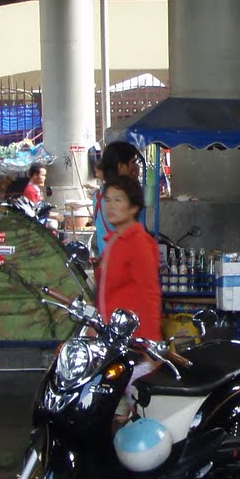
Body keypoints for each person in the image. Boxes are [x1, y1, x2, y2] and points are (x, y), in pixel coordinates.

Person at [95, 173, 161, 341]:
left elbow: (150, 295)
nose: (110, 206)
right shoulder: (113, 240)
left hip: (132, 339)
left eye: (118, 200)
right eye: (107, 200)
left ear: (134, 207)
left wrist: (150, 342)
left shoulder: (140, 243)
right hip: (110, 335)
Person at [92, 142, 143, 258]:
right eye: (133, 163)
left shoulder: (98, 196)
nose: (135, 168)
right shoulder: (126, 196)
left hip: (107, 259)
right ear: (121, 167)